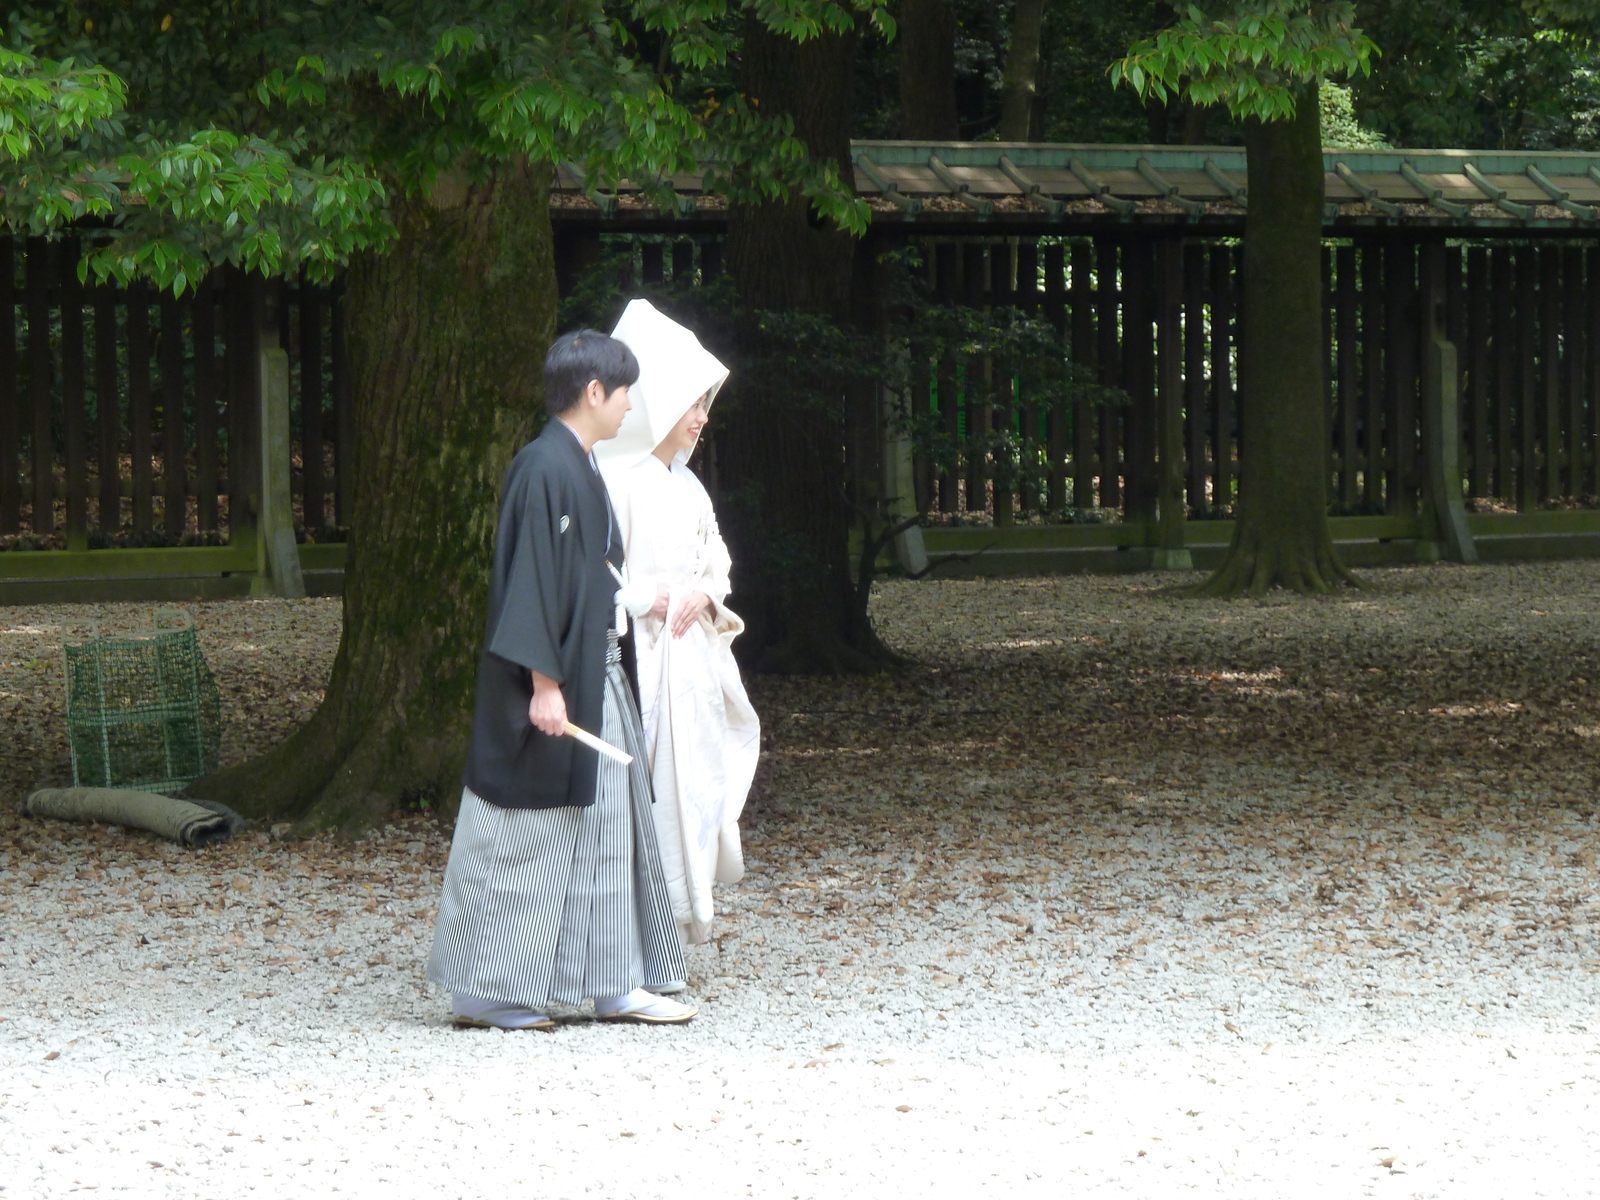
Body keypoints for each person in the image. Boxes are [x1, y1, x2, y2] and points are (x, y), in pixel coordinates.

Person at [425, 329, 695, 1029]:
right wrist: (544, 684)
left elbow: (589, 577)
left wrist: (632, 604)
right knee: (522, 834)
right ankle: (486, 993)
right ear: (594, 392)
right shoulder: (543, 466)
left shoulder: (579, 464)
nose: (632, 404)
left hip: (592, 673)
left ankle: (614, 981)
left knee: (607, 823)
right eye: (625, 390)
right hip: (556, 685)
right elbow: (532, 581)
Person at [597, 300, 760, 947]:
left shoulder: (689, 486)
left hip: (690, 662)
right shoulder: (614, 480)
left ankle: (676, 922)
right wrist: (650, 597)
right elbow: (600, 579)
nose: (702, 419)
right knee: (645, 793)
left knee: (691, 790)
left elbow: (715, 563)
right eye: (693, 404)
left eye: (706, 406)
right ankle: (631, 935)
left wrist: (702, 593)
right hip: (641, 660)